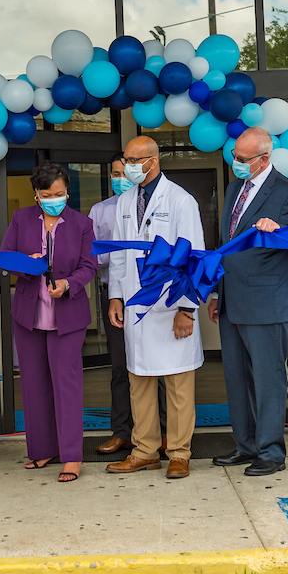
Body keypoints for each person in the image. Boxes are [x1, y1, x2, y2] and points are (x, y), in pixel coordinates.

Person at [208, 127, 288, 477]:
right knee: (237, 379)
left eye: (242, 158)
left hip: (267, 302)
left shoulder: (286, 192)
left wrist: (278, 229)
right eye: (234, 155)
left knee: (267, 382)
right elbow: (227, 244)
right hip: (232, 298)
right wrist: (217, 292)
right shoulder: (236, 186)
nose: (235, 162)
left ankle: (271, 452)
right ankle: (246, 445)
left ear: (264, 158)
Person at [106, 137, 204, 480]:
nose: (129, 166)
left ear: (153, 161)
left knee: (178, 384)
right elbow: (119, 254)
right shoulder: (124, 202)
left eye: (135, 160)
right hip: (135, 305)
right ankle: (144, 450)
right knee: (140, 382)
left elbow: (194, 257)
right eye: (126, 160)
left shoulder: (180, 200)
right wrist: (115, 296)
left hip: (171, 305)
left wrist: (187, 309)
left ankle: (179, 453)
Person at [0, 161, 97, 482]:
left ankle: (71, 456)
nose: (55, 198)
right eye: (47, 194)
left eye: (60, 193)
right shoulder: (21, 218)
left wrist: (68, 284)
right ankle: (42, 449)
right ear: (36, 195)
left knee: (67, 386)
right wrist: (24, 265)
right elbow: (6, 256)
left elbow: (89, 266)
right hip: (28, 315)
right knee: (33, 385)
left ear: (67, 191)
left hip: (68, 316)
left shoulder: (82, 223)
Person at [89, 153, 133, 455]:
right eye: (114, 174)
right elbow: (92, 256)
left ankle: (159, 431)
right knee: (120, 366)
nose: (119, 179)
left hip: (147, 293)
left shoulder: (153, 205)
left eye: (123, 173)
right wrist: (112, 253)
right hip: (112, 294)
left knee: (153, 366)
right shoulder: (100, 211)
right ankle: (122, 432)